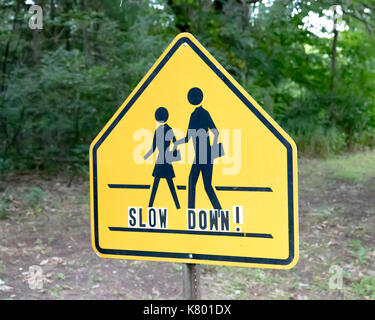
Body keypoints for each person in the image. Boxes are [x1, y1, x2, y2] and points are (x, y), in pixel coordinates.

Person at [173, 87, 222, 210]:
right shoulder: (197, 114)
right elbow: (189, 137)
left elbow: (215, 132)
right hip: (202, 154)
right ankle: (215, 211)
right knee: (201, 184)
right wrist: (175, 143)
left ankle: (198, 211)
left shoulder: (199, 114)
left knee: (200, 184)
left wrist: (212, 149)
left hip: (204, 154)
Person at [144, 107, 180, 209]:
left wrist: (145, 156)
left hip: (162, 159)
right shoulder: (166, 129)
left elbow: (153, 148)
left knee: (164, 184)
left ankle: (151, 205)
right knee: (165, 183)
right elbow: (174, 142)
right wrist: (145, 156)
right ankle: (176, 206)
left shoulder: (160, 130)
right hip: (165, 159)